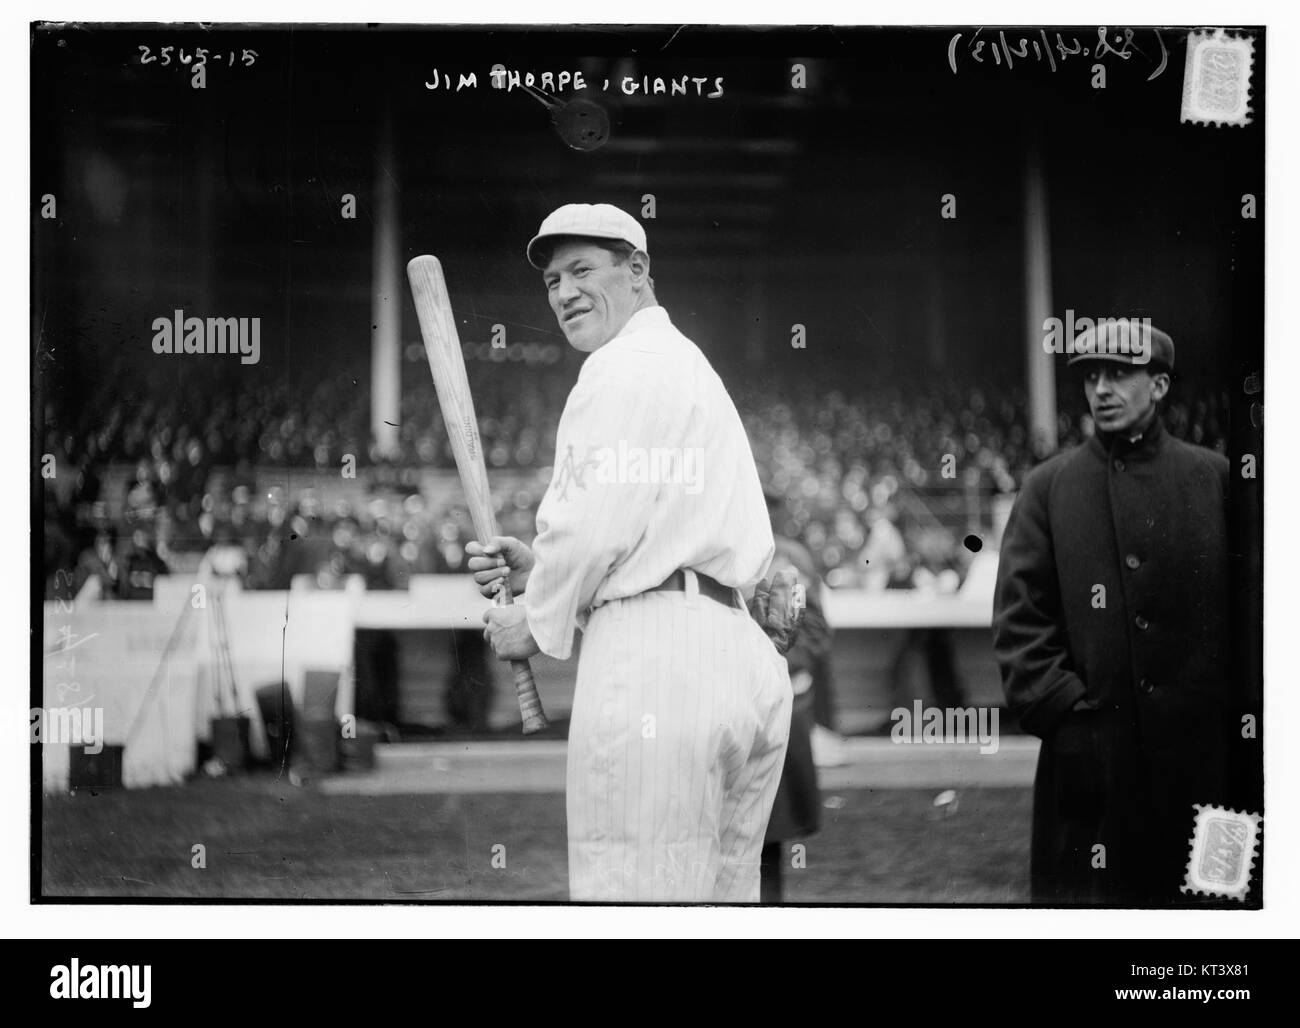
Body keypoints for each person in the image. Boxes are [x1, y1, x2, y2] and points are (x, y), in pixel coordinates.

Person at [469, 203, 793, 902]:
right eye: (552, 280)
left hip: (659, 665)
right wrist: (546, 576)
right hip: (739, 656)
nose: (563, 292)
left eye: (582, 268)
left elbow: (587, 530)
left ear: (638, 269)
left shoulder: (619, 366)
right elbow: (643, 527)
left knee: (634, 904)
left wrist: (536, 616)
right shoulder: (691, 365)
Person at [992, 322, 1233, 905]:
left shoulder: (1217, 479)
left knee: (1212, 919)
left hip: (1205, 765)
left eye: (1119, 373)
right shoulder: (1048, 488)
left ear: (1159, 385)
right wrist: (1070, 717)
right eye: (1093, 376)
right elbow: (1020, 620)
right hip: (1090, 768)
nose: (1101, 388)